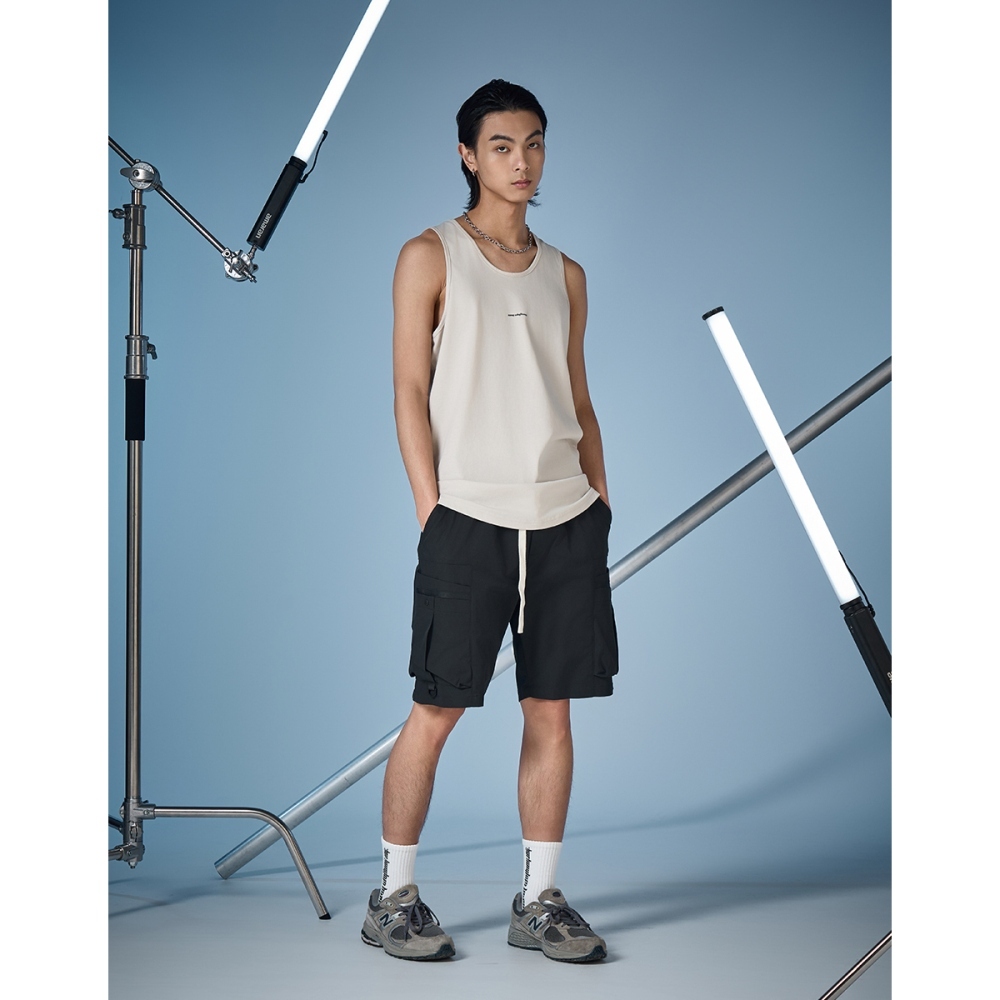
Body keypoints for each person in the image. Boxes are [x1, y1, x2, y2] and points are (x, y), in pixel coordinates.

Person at [360, 79, 618, 964]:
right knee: (436, 709)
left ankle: (538, 902)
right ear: (469, 155)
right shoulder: (428, 255)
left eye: (535, 143)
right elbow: (407, 386)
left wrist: (600, 497)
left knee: (552, 713)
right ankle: (392, 898)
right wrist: (430, 506)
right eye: (503, 145)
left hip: (565, 518)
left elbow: (577, 392)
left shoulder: (567, 274)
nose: (522, 160)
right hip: (468, 517)